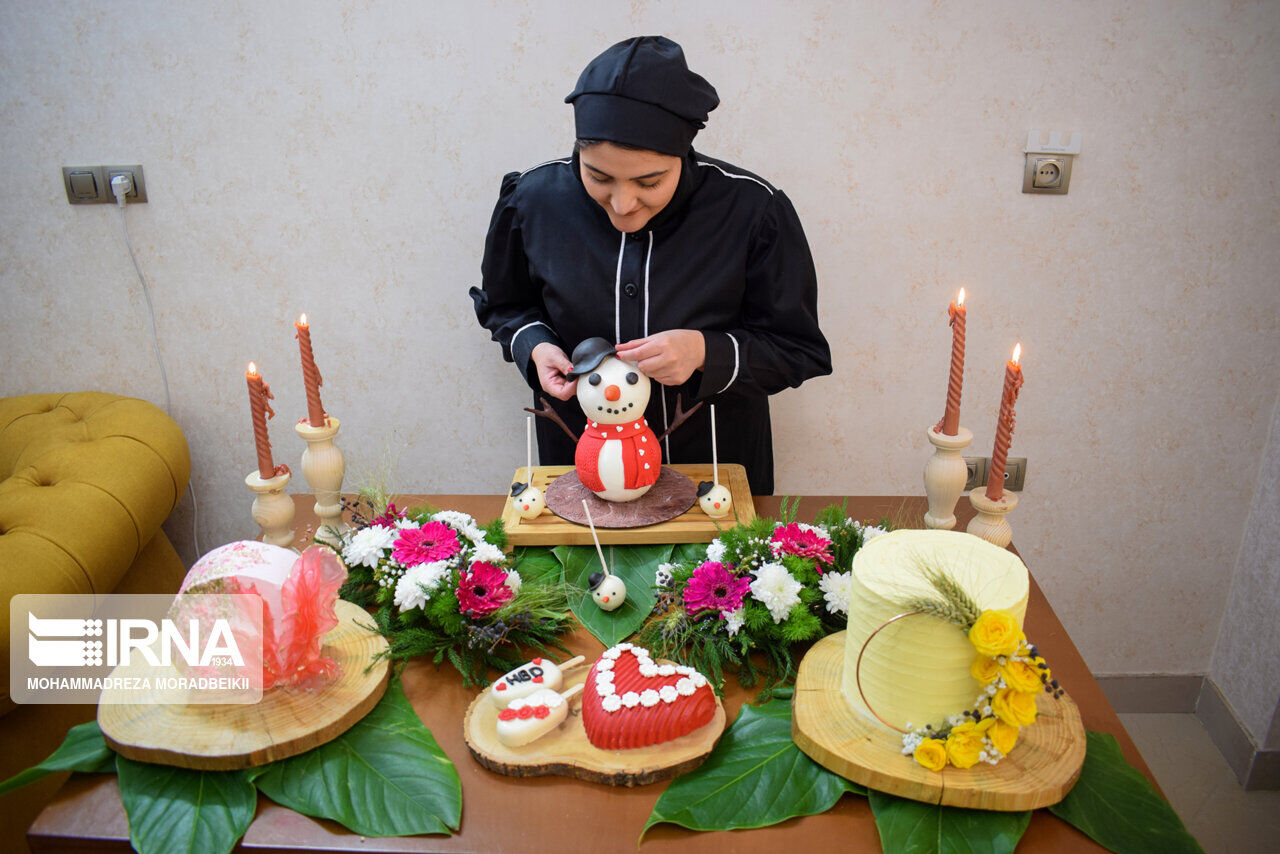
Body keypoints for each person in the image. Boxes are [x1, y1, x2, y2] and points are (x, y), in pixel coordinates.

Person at [469, 36, 831, 495]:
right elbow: (506, 307)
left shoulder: (753, 210)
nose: (622, 204)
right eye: (598, 176)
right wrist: (536, 347)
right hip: (580, 467)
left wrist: (705, 352)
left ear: (682, 155)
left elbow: (799, 349)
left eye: (649, 181)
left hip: (715, 469)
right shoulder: (532, 201)